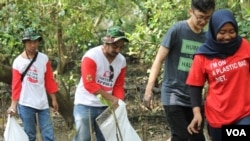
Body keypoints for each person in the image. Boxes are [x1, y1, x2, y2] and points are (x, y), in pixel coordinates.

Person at [143, 0, 215, 140]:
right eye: (200, 17)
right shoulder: (177, 30)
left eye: (207, 18)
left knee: (197, 138)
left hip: (194, 99)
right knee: (181, 136)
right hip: (173, 94)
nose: (203, 21)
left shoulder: (206, 38)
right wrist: (149, 89)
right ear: (191, 11)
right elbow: (159, 59)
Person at [186, 9, 250, 141]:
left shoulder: (243, 46)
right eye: (222, 32)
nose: (227, 36)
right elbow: (195, 85)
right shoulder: (203, 55)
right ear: (214, 31)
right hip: (218, 117)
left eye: (232, 32)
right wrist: (197, 113)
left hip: (244, 113)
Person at [73, 26, 129, 141]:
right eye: (115, 46)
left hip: (106, 107)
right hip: (85, 104)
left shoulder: (121, 60)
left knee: (106, 138)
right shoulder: (91, 56)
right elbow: (89, 84)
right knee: (83, 138)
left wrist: (118, 101)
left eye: (121, 47)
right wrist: (112, 98)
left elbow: (118, 85)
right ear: (106, 42)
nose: (118, 50)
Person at [7, 27, 59, 141]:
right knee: (30, 135)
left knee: (48, 135)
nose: (33, 45)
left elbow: (49, 80)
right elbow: (16, 86)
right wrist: (13, 106)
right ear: (25, 43)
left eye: (35, 42)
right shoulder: (18, 62)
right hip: (26, 104)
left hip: (42, 104)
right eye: (30, 42)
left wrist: (54, 99)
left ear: (38, 42)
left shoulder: (44, 59)